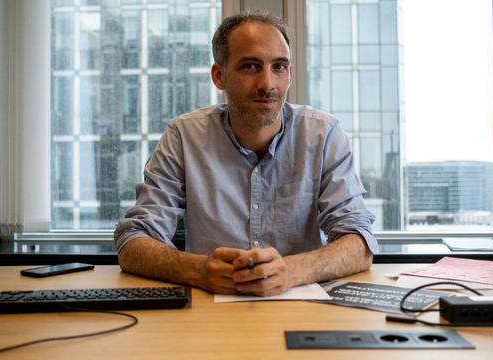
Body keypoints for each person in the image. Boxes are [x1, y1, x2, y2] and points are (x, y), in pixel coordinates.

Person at [114, 11, 378, 297]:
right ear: (219, 76)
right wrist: (199, 269)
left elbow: (359, 244)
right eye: (251, 66)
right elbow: (133, 242)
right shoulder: (184, 137)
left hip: (302, 307)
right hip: (209, 313)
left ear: (289, 74)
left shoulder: (322, 134)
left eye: (279, 67)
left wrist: (291, 271)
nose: (267, 84)